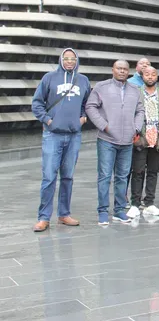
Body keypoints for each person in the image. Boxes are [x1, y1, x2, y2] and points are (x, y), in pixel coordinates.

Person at [31, 48, 91, 232]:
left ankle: (64, 214)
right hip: (53, 135)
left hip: (73, 135)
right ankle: (43, 217)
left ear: (77, 60)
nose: (70, 61)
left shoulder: (83, 80)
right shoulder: (49, 78)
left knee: (68, 177)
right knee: (49, 176)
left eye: (73, 59)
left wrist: (82, 118)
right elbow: (37, 103)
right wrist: (48, 120)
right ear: (60, 60)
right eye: (66, 58)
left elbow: (88, 104)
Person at [85, 60, 144, 226]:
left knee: (122, 176)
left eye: (125, 69)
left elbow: (140, 110)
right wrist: (104, 125)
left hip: (127, 141)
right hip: (107, 140)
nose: (122, 71)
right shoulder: (102, 87)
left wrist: (136, 128)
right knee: (104, 176)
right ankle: (103, 211)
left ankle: (119, 210)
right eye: (119, 68)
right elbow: (90, 106)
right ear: (113, 70)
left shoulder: (135, 89)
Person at [128, 66, 159, 219]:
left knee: (153, 172)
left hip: (157, 140)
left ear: (157, 76)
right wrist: (134, 136)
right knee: (138, 171)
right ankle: (135, 204)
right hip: (141, 138)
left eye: (153, 74)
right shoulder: (135, 93)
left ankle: (149, 203)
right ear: (142, 76)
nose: (150, 77)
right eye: (147, 74)